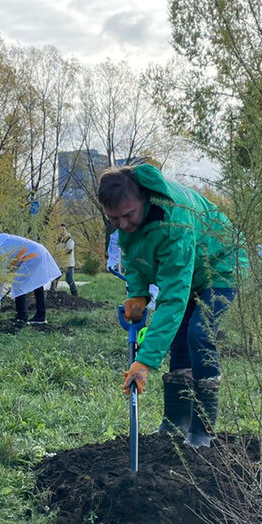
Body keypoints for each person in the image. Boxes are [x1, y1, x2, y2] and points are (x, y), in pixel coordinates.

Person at [99, 164, 246, 448]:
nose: (123, 224)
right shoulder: (129, 219)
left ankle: (202, 428)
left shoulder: (175, 220)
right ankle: (176, 421)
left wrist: (144, 361)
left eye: (128, 215)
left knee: (199, 334)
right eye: (114, 218)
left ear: (145, 197)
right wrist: (138, 294)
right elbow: (132, 253)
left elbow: (173, 299)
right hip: (191, 274)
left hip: (222, 267)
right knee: (179, 338)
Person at [0, 233, 60, 325]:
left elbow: (2, 272)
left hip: (33, 255)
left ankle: (22, 317)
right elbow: (13, 263)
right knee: (37, 284)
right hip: (39, 252)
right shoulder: (6, 240)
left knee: (18, 284)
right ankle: (41, 316)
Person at [56, 223, 78, 296]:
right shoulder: (58, 240)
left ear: (66, 230)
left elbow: (68, 250)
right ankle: (52, 294)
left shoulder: (69, 239)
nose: (61, 231)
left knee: (69, 280)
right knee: (55, 279)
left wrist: (59, 254)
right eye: (60, 230)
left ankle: (75, 295)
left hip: (68, 263)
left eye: (63, 229)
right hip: (59, 263)